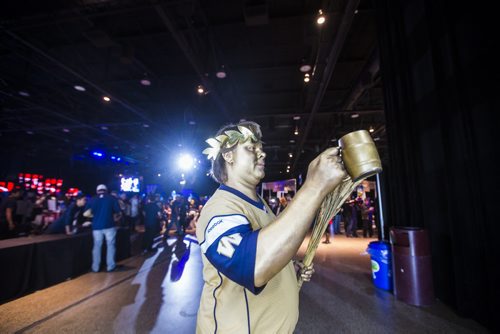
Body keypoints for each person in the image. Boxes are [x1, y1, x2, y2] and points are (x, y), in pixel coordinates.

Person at [196, 121, 346, 333]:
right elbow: (254, 266)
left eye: (261, 148)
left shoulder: (260, 203)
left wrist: (287, 267)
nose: (262, 154)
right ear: (228, 156)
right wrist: (314, 186)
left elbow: (267, 245)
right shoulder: (219, 209)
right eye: (251, 148)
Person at [85, 184, 122, 272]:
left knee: (97, 246)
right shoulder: (112, 198)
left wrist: (94, 216)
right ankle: (110, 266)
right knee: (110, 245)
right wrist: (115, 218)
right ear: (106, 190)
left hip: (96, 226)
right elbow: (118, 212)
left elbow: (85, 213)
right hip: (109, 225)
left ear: (97, 191)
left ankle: (95, 267)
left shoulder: (92, 199)